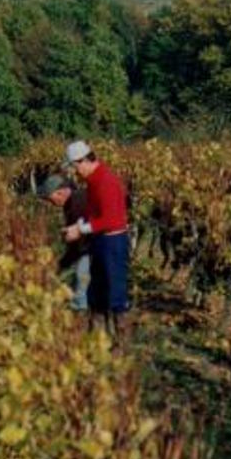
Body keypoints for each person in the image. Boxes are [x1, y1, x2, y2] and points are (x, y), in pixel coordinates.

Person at [61, 141, 130, 337]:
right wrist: (77, 225)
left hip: (113, 243)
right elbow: (93, 212)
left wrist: (81, 231)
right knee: (97, 289)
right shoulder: (93, 181)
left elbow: (110, 219)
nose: (75, 172)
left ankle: (121, 343)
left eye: (75, 167)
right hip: (101, 241)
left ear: (83, 161)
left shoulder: (106, 182)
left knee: (115, 292)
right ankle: (96, 337)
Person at [38, 174, 91, 311]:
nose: (52, 203)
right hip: (91, 247)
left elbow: (80, 241)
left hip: (95, 247)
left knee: (81, 278)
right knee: (80, 280)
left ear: (60, 192)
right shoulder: (72, 203)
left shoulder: (77, 202)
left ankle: (83, 315)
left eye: (51, 199)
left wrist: (62, 264)